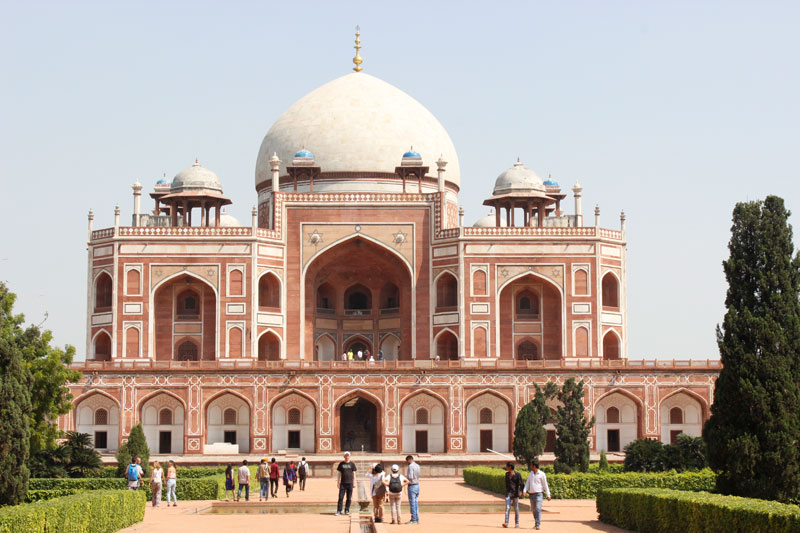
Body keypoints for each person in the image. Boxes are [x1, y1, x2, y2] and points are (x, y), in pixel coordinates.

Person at [523, 460, 551, 530]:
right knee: (534, 509)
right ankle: (536, 522)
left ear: (534, 466)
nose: (530, 466)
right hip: (531, 494)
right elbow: (527, 483)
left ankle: (538, 524)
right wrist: (524, 490)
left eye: (531, 465)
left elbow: (545, 485)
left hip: (539, 494)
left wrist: (548, 495)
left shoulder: (542, 474)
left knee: (538, 508)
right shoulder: (531, 474)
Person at [502, 462, 523, 528]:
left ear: (510, 467)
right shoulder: (507, 474)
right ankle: (506, 522)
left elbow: (521, 484)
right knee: (507, 508)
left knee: (516, 509)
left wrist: (521, 491)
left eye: (507, 466)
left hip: (515, 494)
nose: (506, 467)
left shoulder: (517, 474)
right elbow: (506, 485)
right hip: (508, 493)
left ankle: (517, 523)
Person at [336, 451, 357, 516]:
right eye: (346, 456)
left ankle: (347, 510)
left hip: (350, 483)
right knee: (340, 497)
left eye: (348, 456)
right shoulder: (341, 464)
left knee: (349, 498)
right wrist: (338, 482)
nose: (347, 457)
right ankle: (339, 510)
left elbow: (354, 473)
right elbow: (339, 473)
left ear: (349, 456)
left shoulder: (352, 464)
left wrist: (354, 482)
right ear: (344, 456)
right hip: (343, 483)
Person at [406, 455, 421, 524]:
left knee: (412, 503)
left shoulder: (410, 466)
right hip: (417, 485)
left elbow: (410, 477)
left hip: (412, 486)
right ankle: (416, 518)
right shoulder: (417, 465)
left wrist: (405, 480)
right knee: (415, 502)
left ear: (409, 460)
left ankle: (413, 519)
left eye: (407, 461)